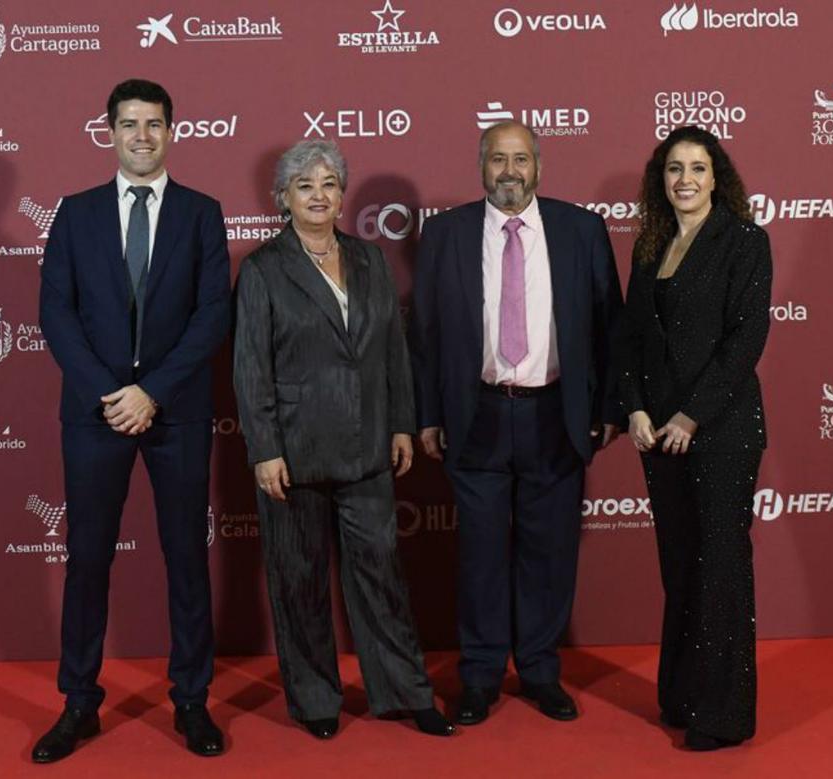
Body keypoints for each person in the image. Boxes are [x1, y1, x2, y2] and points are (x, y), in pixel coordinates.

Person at [34, 79, 230, 762]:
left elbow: (213, 314)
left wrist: (152, 391)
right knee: (87, 560)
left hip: (176, 412)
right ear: (110, 132)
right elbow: (56, 312)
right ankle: (78, 703)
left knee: (187, 560)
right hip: (96, 415)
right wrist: (111, 393)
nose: (141, 136)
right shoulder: (75, 212)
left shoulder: (202, 213)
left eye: (153, 124)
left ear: (171, 131)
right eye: (129, 124)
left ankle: (192, 701)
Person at [232, 140, 454, 741]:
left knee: (382, 577)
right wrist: (264, 449)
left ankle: (406, 693)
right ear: (282, 198)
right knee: (299, 580)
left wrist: (401, 422)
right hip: (294, 451)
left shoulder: (369, 258)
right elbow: (250, 368)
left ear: (341, 195)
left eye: (329, 183)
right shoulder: (262, 269)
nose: (319, 194)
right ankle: (315, 700)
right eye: (305, 185)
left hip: (369, 445)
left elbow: (392, 351)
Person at [408, 121, 623, 725]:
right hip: (474, 414)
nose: (510, 171)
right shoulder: (446, 233)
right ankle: (479, 676)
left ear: (539, 167)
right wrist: (427, 415)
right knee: (479, 555)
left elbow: (611, 326)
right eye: (498, 159)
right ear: (482, 167)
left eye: (521, 159)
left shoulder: (581, 229)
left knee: (548, 553)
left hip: (553, 414)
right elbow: (423, 335)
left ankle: (539, 671)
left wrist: (607, 408)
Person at [615, 125, 771, 751]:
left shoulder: (745, 242)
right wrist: (634, 408)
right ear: (661, 179)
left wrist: (691, 416)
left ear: (716, 177)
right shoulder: (650, 244)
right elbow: (629, 337)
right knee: (680, 567)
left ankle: (723, 715)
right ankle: (681, 696)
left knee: (721, 568)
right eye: (674, 168)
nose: (685, 180)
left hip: (722, 431)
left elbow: (745, 340)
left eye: (698, 168)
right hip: (657, 434)